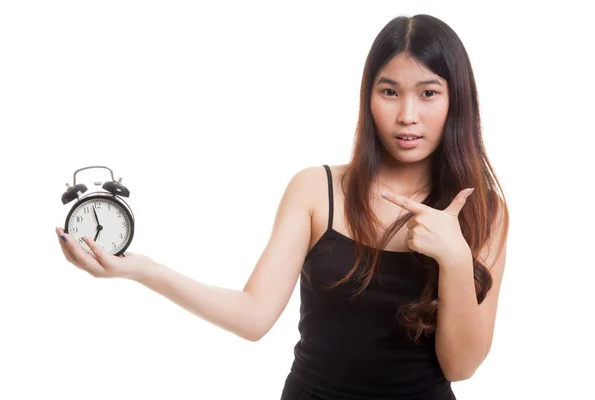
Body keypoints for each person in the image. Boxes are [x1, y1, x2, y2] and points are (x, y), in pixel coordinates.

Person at [55, 13, 509, 400]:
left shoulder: (484, 211)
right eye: (389, 92)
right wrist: (143, 269)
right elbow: (254, 316)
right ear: (368, 98)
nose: (407, 114)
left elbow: (461, 367)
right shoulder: (316, 188)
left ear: (456, 100)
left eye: (428, 93)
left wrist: (454, 258)